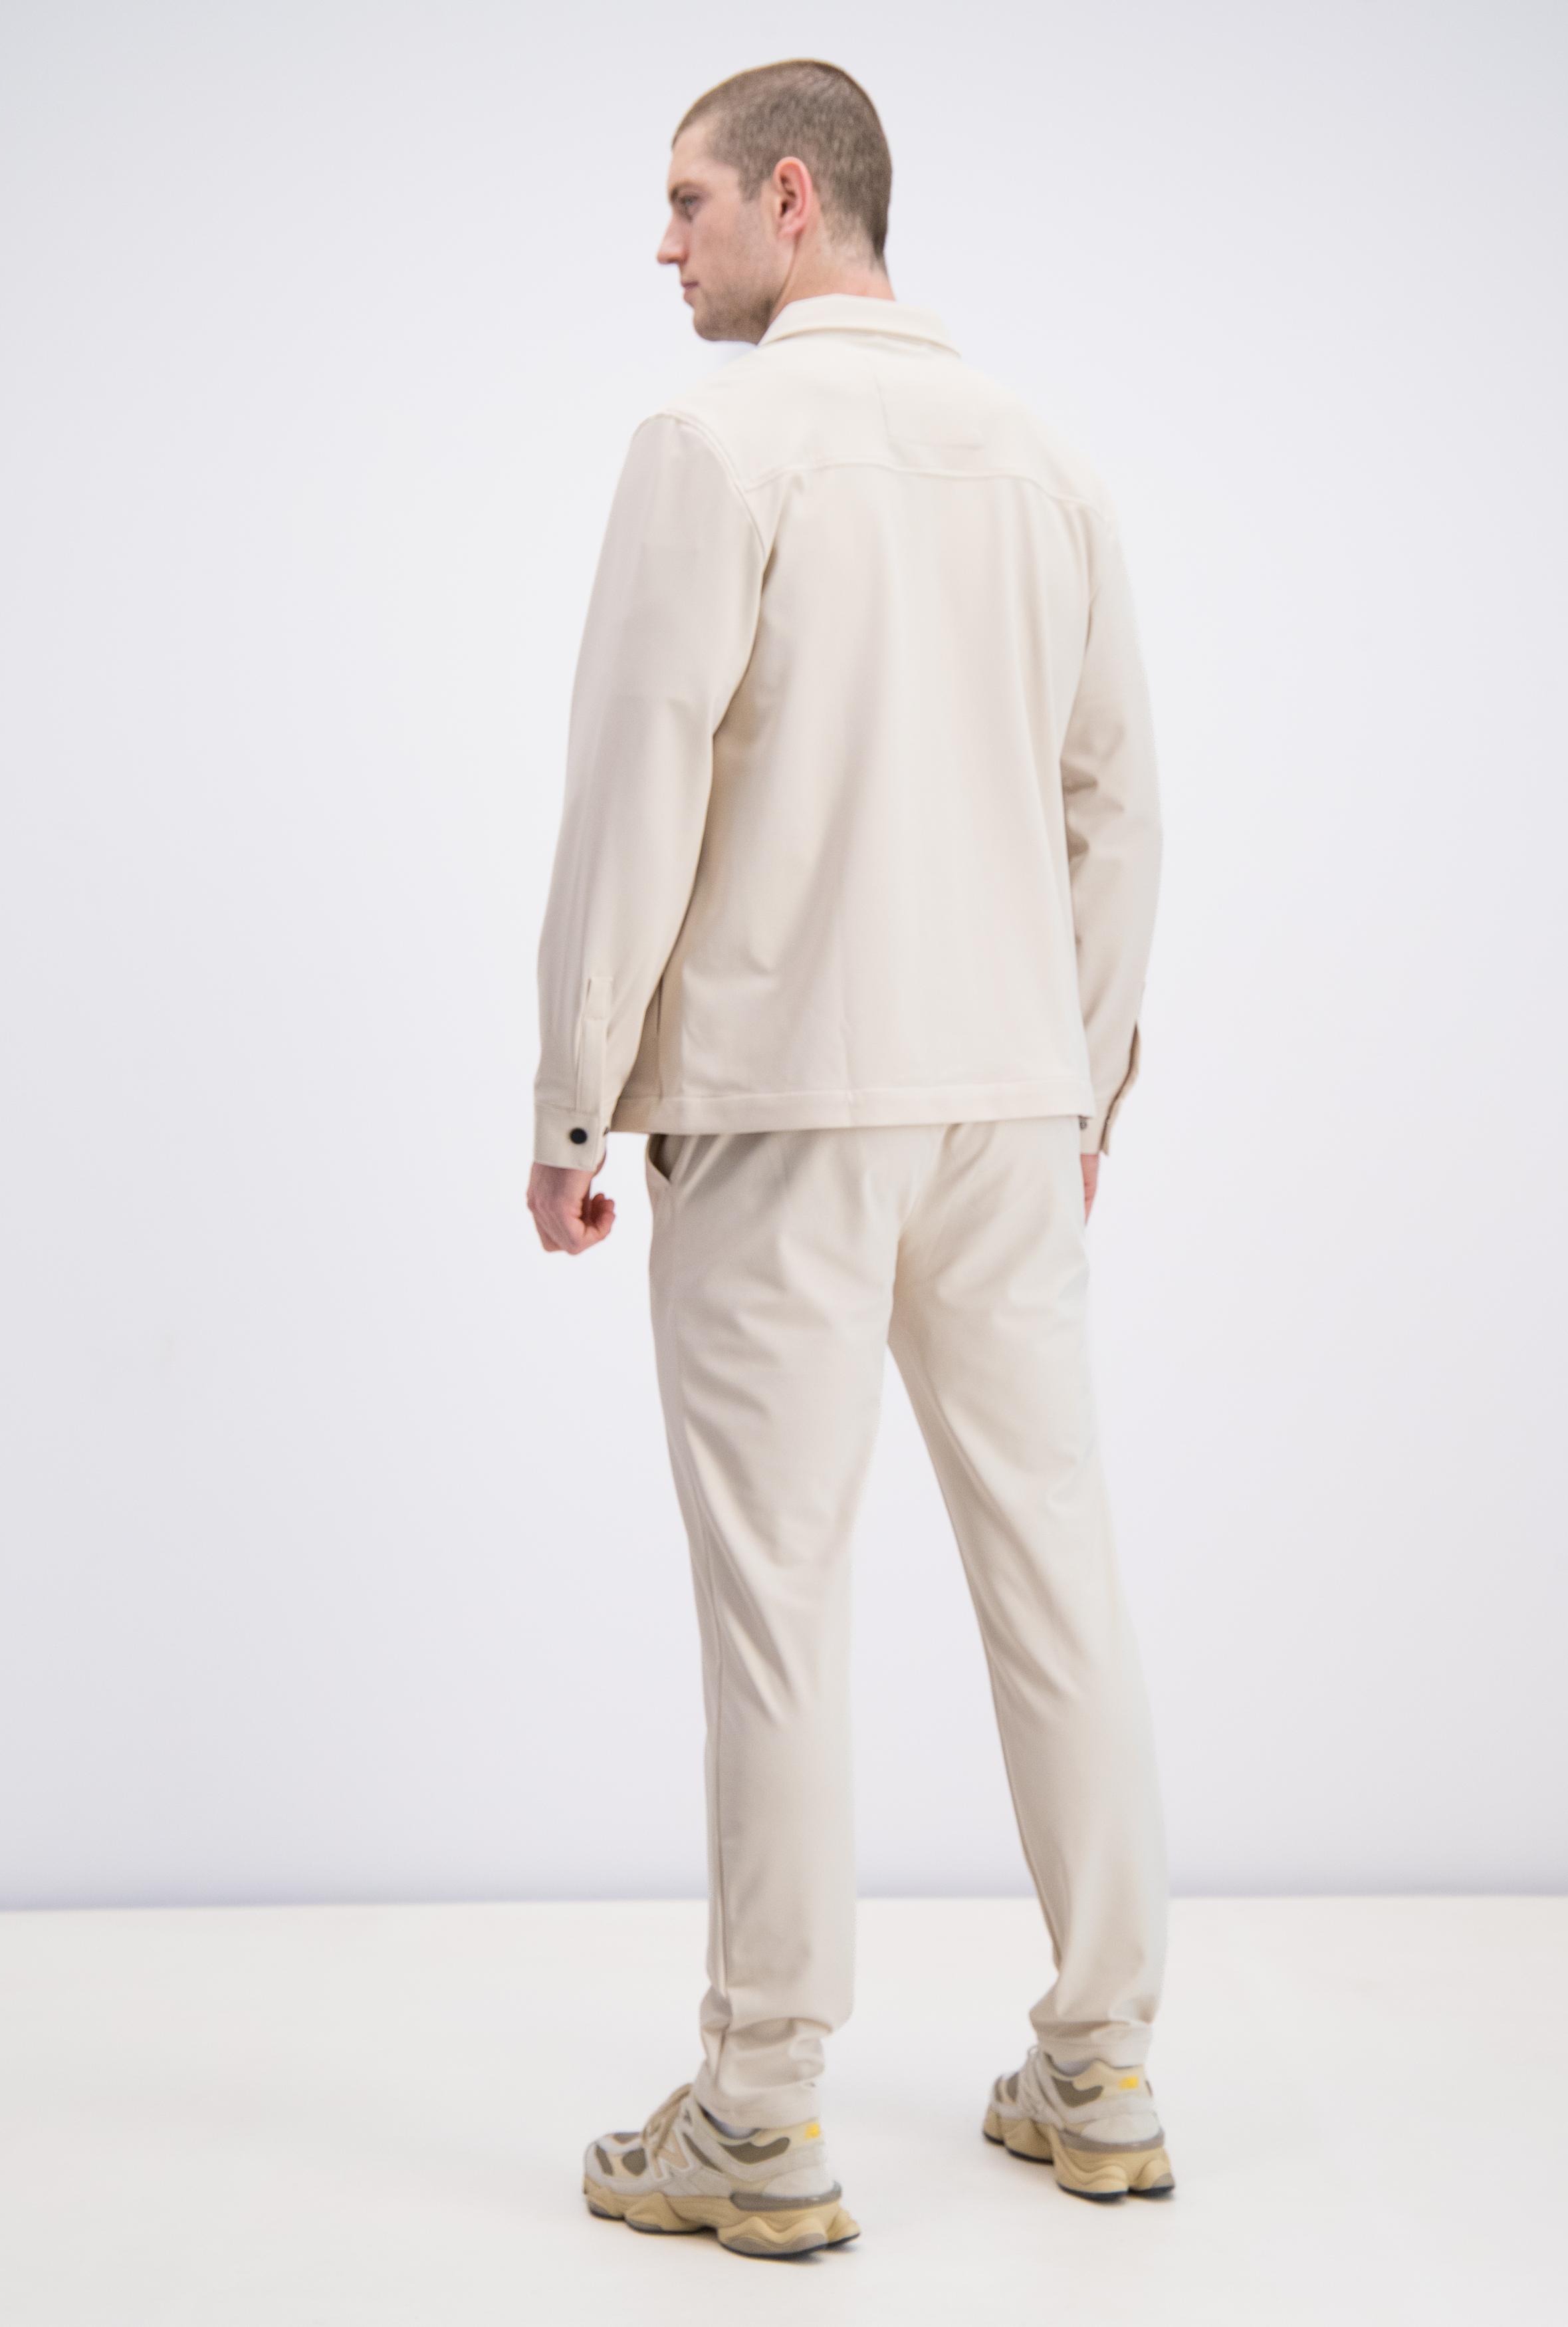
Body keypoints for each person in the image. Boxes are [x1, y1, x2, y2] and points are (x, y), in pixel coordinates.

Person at [526, 57, 1173, 2259]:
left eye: (690, 201)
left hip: (782, 1099)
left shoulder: (717, 446)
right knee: (1056, 1564)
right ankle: (1104, 2065)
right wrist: (1083, 1087)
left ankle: (761, 2107)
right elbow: (1117, 804)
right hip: (1005, 1104)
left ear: (793, 199)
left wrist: (573, 1097)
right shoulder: (1048, 462)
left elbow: (638, 781)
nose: (666, 242)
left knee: (781, 1600)